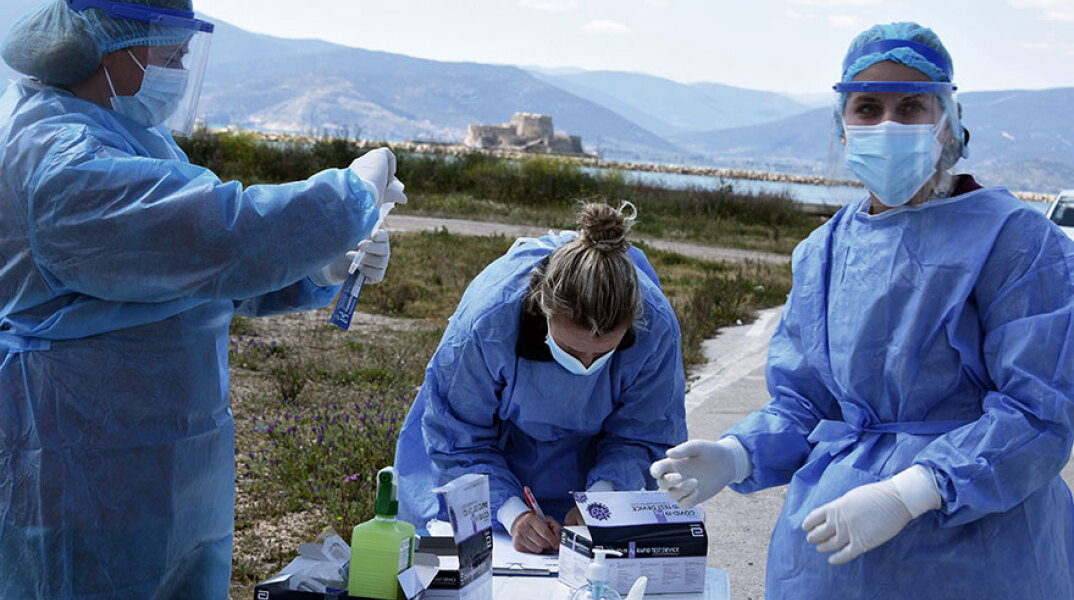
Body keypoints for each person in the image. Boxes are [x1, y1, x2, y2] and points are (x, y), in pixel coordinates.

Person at [650, 22, 1074, 599]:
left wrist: (915, 489)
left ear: (947, 121)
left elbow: (1038, 414)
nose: (889, 125)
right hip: (832, 560)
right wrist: (737, 455)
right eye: (868, 107)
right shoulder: (825, 251)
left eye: (912, 106)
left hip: (980, 557)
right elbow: (806, 401)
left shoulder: (1019, 243)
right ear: (843, 128)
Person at [0, 1, 406, 598]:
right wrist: (346, 197)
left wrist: (321, 266)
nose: (182, 68)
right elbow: (221, 233)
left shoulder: (133, 136)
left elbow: (199, 274)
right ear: (107, 46)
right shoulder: (61, 161)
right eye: (172, 52)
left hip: (166, 459)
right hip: (76, 457)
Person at [394, 201, 687, 553]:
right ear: (544, 307)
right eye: (572, 351)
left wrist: (599, 501)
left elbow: (644, 435)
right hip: (488, 460)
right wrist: (512, 513)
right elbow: (459, 440)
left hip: (591, 463)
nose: (586, 365)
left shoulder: (656, 327)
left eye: (602, 353)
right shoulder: (488, 323)